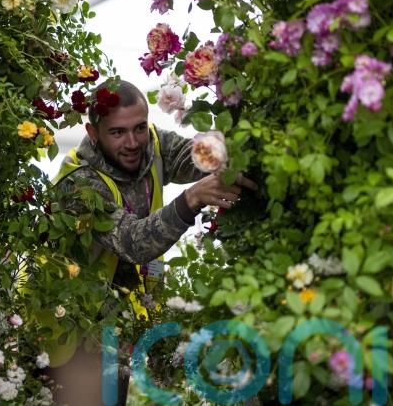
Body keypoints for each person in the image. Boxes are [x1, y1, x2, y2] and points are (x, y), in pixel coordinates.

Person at [46, 79, 257, 406]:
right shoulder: (77, 182)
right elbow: (134, 242)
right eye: (118, 132)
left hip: (114, 323)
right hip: (68, 332)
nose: (133, 142)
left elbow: (190, 158)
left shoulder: (153, 145)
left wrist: (218, 149)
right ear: (92, 132)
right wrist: (192, 199)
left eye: (140, 127)